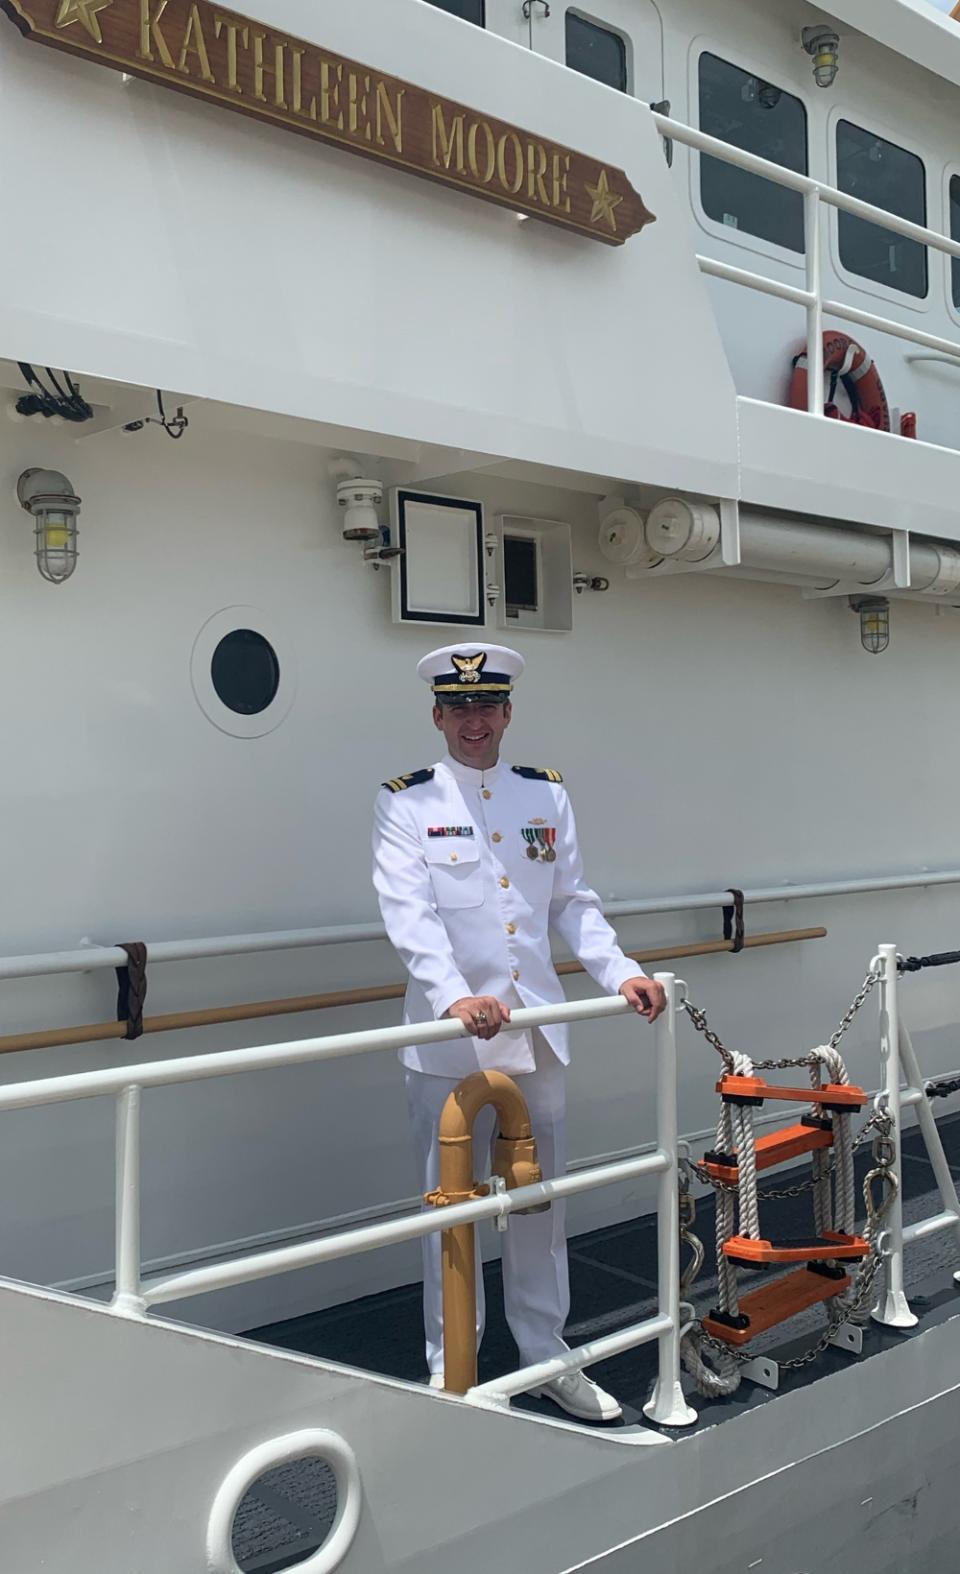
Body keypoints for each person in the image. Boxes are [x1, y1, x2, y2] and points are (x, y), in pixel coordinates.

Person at [371, 642, 664, 1421]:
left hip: (536, 1030)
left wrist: (621, 971)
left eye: (487, 706)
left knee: (541, 1206)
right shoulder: (406, 804)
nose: (474, 721)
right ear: (438, 715)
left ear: (508, 713)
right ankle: (453, 1373)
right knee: (451, 1209)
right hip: (449, 1042)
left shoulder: (545, 797)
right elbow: (410, 914)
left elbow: (572, 902)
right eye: (459, 708)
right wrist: (451, 996)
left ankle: (545, 1354)